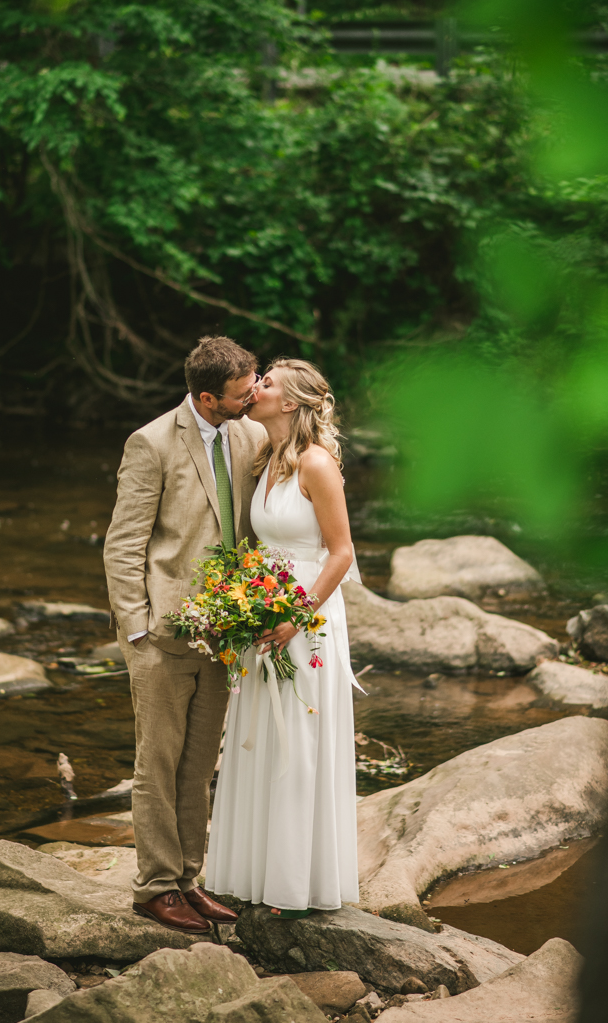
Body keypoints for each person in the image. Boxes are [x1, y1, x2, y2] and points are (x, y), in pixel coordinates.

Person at [104, 335, 266, 934]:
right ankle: (153, 887)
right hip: (161, 635)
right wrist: (137, 627)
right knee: (158, 762)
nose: (253, 397)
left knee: (198, 765)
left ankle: (187, 882)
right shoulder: (150, 443)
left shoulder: (251, 436)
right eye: (242, 392)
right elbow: (123, 542)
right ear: (206, 397)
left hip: (223, 631)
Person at [205, 358, 362, 917]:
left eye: (266, 383)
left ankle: (296, 886)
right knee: (259, 736)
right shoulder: (264, 457)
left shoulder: (317, 464)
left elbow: (341, 552)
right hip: (262, 611)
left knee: (297, 741)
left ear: (291, 403)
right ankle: (252, 875)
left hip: (306, 617)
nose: (255, 389)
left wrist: (297, 615)